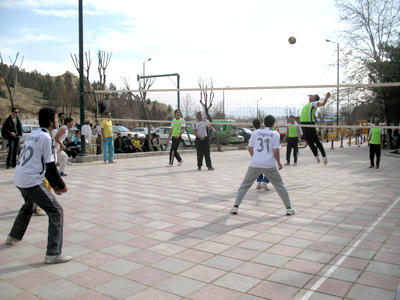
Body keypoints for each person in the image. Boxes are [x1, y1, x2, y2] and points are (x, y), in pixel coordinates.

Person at [6, 107, 72, 264]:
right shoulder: (45, 138)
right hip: (31, 181)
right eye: (55, 119)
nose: (57, 121)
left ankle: (13, 236)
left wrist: (55, 185)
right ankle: (53, 253)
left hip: (19, 178)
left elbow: (44, 163)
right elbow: (50, 165)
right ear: (50, 121)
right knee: (56, 211)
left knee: (29, 205)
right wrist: (61, 184)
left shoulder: (33, 135)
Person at [231, 115, 295, 216]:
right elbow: (276, 151)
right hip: (269, 164)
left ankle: (235, 206)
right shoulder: (275, 134)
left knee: (245, 185)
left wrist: (254, 157)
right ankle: (288, 208)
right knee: (279, 185)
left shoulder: (255, 132)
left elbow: (249, 148)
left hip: (255, 163)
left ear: (264, 123)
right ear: (273, 124)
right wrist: (278, 162)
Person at [300, 93, 331, 165]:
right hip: (303, 124)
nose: (311, 96)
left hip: (309, 124)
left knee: (316, 140)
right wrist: (310, 97)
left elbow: (322, 104)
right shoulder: (308, 104)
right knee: (309, 142)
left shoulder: (314, 103)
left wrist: (326, 97)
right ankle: (316, 155)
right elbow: (310, 100)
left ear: (315, 99)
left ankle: (324, 156)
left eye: (313, 96)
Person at [252, 118, 270, 191]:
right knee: (270, 169)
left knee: (259, 169)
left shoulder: (254, 133)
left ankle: (259, 182)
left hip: (257, 154)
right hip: (265, 154)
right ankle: (264, 181)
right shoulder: (264, 132)